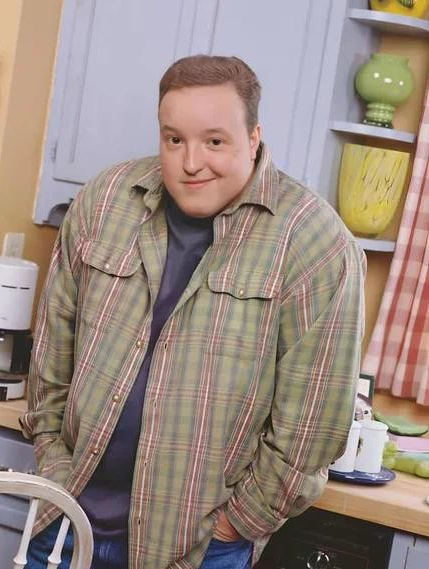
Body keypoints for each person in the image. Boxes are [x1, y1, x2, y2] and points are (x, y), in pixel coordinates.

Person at [21, 54, 366, 569]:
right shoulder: (105, 201)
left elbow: (312, 426)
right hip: (65, 520)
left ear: (254, 137)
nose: (190, 162)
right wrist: (53, 459)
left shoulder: (315, 243)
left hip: (199, 548)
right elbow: (52, 351)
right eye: (174, 139)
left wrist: (237, 523)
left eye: (215, 141)